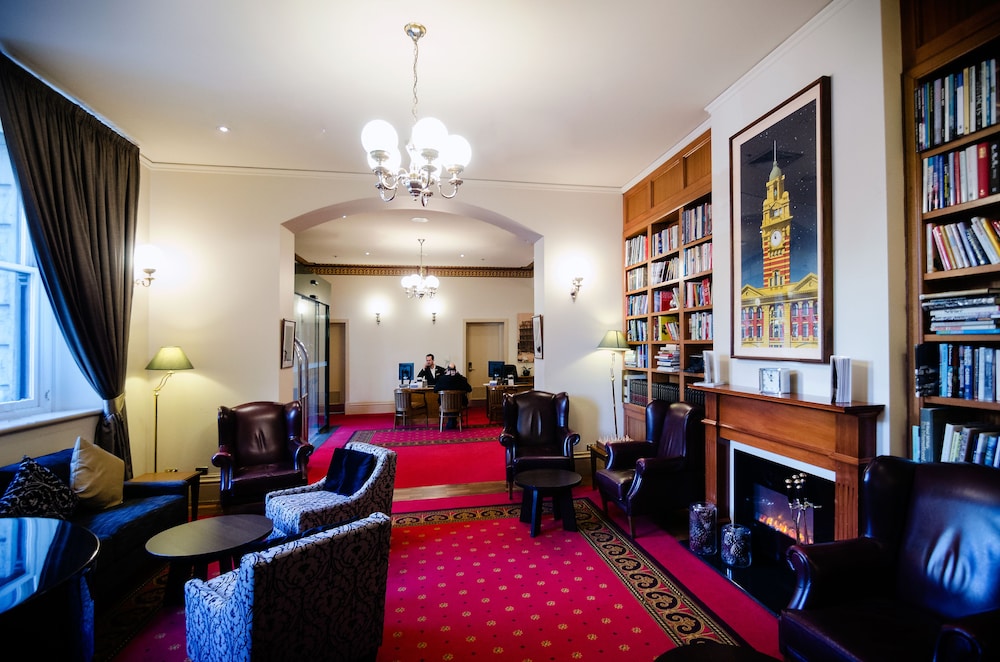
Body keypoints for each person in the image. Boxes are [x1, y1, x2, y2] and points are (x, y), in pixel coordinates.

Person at [435, 363, 472, 428]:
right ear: (455, 370)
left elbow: (435, 390)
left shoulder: (442, 379)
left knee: (448, 403)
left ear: (447, 370)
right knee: (457, 403)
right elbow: (469, 389)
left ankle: (451, 420)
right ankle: (453, 420)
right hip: (459, 404)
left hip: (445, 404)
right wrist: (459, 375)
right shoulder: (461, 379)